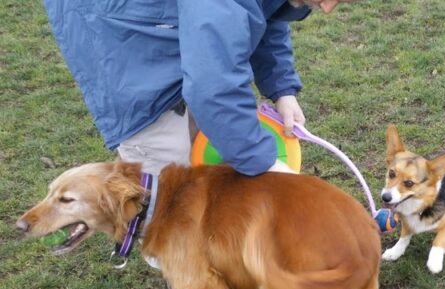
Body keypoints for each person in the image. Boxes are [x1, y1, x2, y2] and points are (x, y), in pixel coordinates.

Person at [43, 0, 352, 175]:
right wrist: (264, 165)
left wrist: (282, 87)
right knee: (169, 183)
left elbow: (264, 8)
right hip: (122, 41)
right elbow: (212, 88)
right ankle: (180, 271)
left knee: (204, 141)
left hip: (173, 19)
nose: (327, 8)